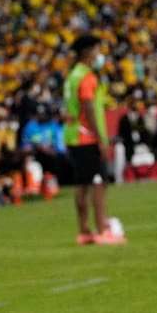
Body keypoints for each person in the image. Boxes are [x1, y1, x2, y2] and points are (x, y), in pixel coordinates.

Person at [63, 34, 125, 245]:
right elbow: (89, 107)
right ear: (89, 52)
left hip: (73, 135)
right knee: (99, 183)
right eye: (98, 50)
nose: (100, 55)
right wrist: (100, 139)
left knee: (82, 185)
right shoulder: (87, 77)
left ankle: (85, 231)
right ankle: (102, 230)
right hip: (87, 136)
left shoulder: (72, 76)